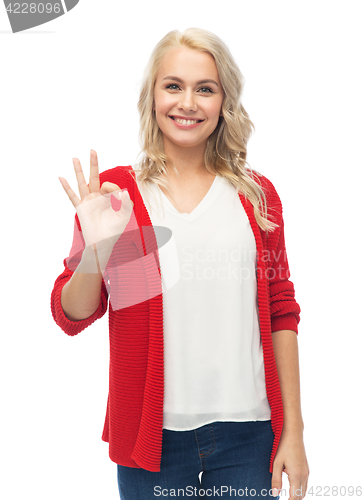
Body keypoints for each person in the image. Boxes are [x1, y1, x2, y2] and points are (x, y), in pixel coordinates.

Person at [51, 28, 309, 500]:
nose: (187, 102)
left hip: (248, 436)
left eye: (204, 89)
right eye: (173, 86)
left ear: (223, 102)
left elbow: (281, 312)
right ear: (152, 96)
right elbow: (73, 315)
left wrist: (295, 430)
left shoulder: (257, 196)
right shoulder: (117, 194)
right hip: (151, 440)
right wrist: (96, 250)